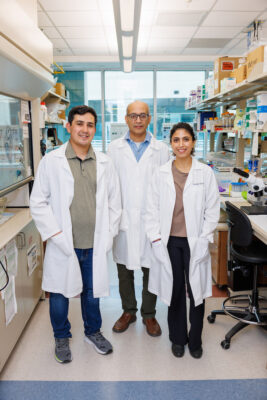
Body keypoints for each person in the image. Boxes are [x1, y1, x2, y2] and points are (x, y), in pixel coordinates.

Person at [30, 105, 121, 363]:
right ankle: (61, 336)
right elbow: (38, 202)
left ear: (95, 129)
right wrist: (55, 235)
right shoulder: (52, 161)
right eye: (79, 123)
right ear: (68, 126)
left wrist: (109, 233)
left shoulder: (104, 162)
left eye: (90, 125)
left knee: (92, 293)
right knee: (59, 292)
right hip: (63, 242)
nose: (85, 129)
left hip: (95, 242)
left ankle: (93, 331)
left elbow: (115, 203)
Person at [145, 122, 220, 358]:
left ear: (194, 142)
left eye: (186, 139)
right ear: (171, 144)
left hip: (195, 241)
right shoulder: (161, 173)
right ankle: (177, 338)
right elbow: (151, 210)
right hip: (170, 241)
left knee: (196, 290)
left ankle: (195, 340)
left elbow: (212, 210)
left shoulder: (205, 173)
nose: (181, 144)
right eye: (176, 140)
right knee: (175, 289)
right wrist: (156, 238)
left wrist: (205, 237)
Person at [107, 100, 170, 337]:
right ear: (126, 119)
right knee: (124, 269)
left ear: (149, 118)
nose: (138, 120)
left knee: (151, 268)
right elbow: (109, 185)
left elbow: (166, 188)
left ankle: (149, 314)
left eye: (142, 115)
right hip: (123, 218)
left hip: (151, 219)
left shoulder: (161, 149)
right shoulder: (114, 148)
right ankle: (128, 311)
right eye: (133, 115)